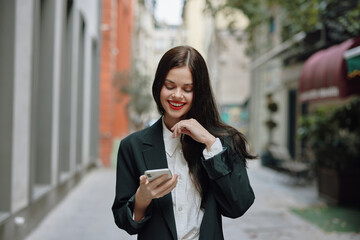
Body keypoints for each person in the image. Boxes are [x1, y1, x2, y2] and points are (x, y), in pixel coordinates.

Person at [112, 46, 256, 240]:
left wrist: (210, 143)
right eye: (170, 86)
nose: (177, 95)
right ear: (158, 86)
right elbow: (124, 221)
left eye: (187, 89)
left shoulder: (221, 143)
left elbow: (238, 206)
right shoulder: (132, 146)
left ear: (199, 93)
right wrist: (142, 198)